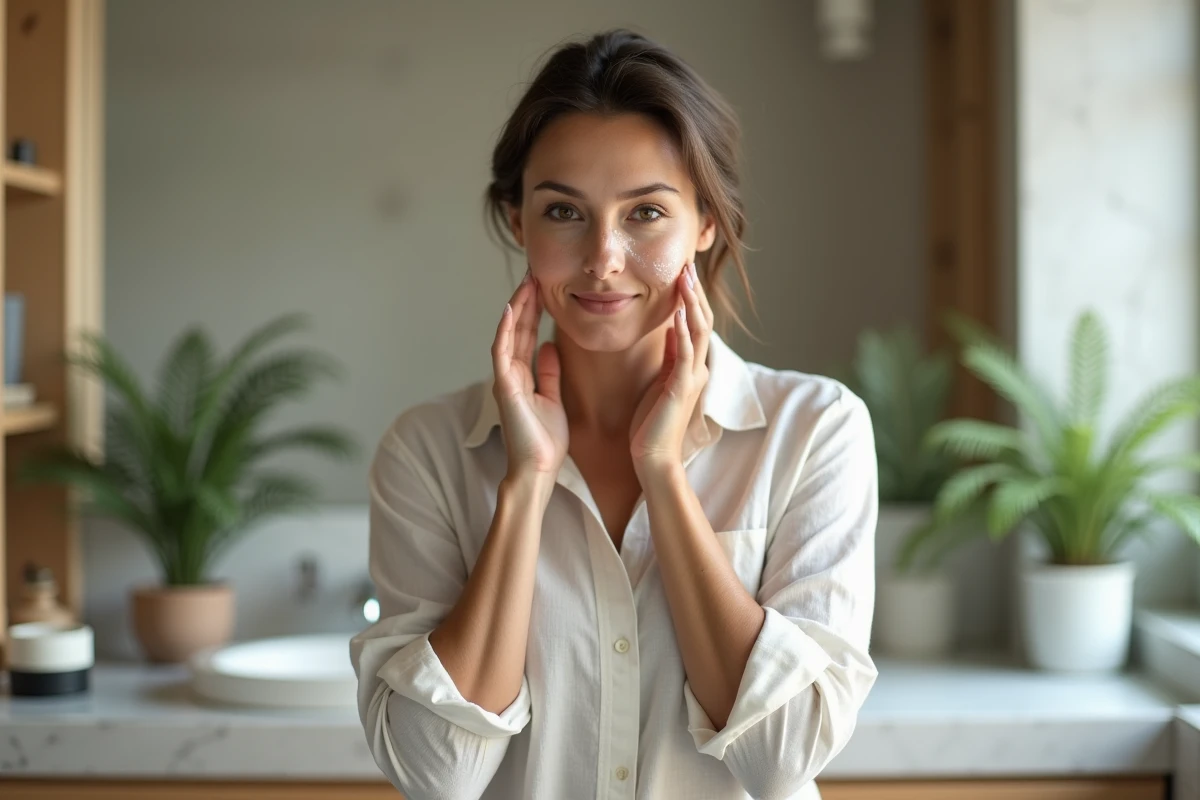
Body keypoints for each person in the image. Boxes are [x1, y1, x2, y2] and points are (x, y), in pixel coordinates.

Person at [350, 28, 878, 800]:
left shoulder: (813, 431)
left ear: (706, 223)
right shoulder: (428, 451)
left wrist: (663, 475)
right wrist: (527, 484)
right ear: (516, 222)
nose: (602, 257)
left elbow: (782, 759)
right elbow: (440, 773)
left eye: (646, 214)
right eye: (564, 211)